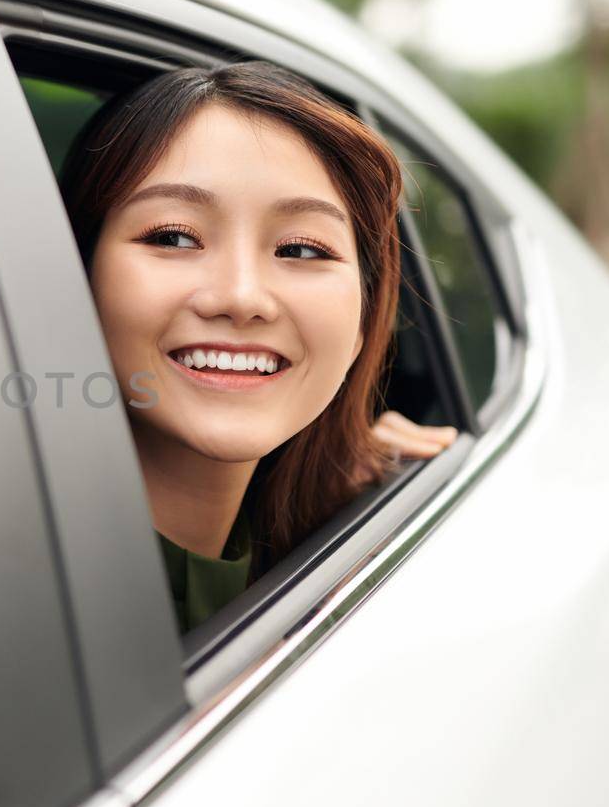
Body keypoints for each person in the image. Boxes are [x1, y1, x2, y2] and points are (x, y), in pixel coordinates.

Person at [58, 61, 458, 633]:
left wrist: (353, 483)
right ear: (78, 271)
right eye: (173, 236)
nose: (242, 297)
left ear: (365, 321)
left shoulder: (333, 537)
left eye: (299, 250)